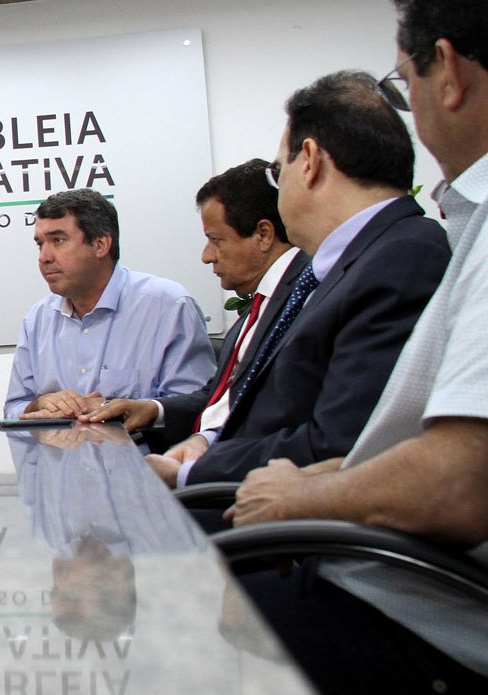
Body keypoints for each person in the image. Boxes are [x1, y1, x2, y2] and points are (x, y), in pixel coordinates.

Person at [227, 0, 488, 695]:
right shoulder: (462, 226)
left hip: (432, 626)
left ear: (448, 70)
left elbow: (458, 481)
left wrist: (307, 492)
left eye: (407, 80)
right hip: (400, 577)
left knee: (169, 634)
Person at [146, 71, 450, 487]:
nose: (279, 188)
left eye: (278, 171)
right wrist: (206, 441)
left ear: (309, 161)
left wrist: (191, 472)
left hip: (275, 508)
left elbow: (339, 443)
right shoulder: (346, 263)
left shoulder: (402, 257)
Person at [84, 160, 307, 443]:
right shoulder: (258, 312)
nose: (207, 256)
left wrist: (199, 462)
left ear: (263, 235)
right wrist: (152, 409)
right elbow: (218, 399)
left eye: (216, 239)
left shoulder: (306, 303)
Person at [3, 188, 214, 420]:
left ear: (100, 245)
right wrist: (39, 404)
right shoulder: (37, 319)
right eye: (40, 244)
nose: (44, 257)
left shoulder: (168, 306)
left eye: (58, 240)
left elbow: (196, 407)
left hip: (141, 444)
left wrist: (118, 408)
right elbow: (13, 409)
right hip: (58, 445)